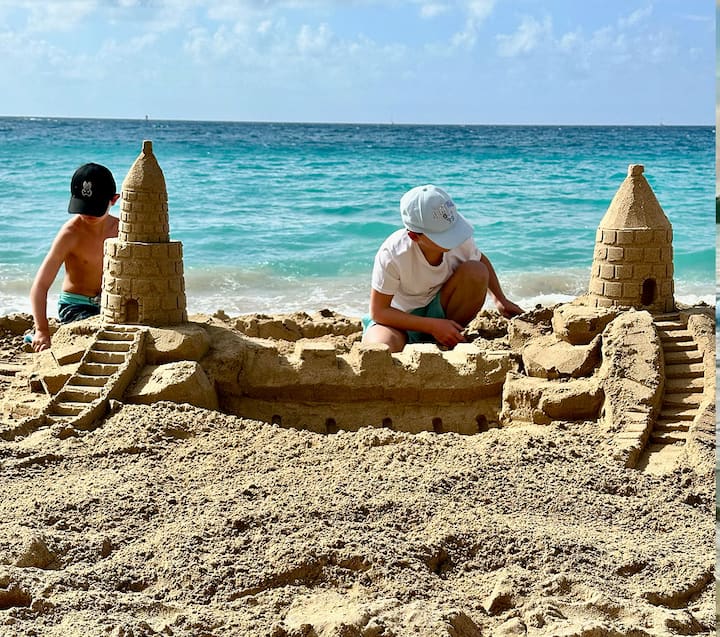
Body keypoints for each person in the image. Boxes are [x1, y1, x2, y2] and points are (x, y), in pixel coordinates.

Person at [362, 184, 523, 353]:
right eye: (442, 236)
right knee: (381, 349)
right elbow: (379, 311)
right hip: (399, 321)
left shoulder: (459, 239)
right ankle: (433, 333)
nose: (453, 238)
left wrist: (500, 299)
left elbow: (480, 259)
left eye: (452, 230)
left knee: (477, 270)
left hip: (442, 312)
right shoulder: (393, 253)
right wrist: (431, 325)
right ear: (414, 236)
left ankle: (445, 336)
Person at [28, 163, 120, 352]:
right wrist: (42, 330)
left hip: (112, 304)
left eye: (95, 208)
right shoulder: (70, 233)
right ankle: (40, 335)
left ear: (114, 200)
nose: (88, 214)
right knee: (99, 338)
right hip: (76, 305)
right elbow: (41, 285)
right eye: (83, 207)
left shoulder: (122, 230)